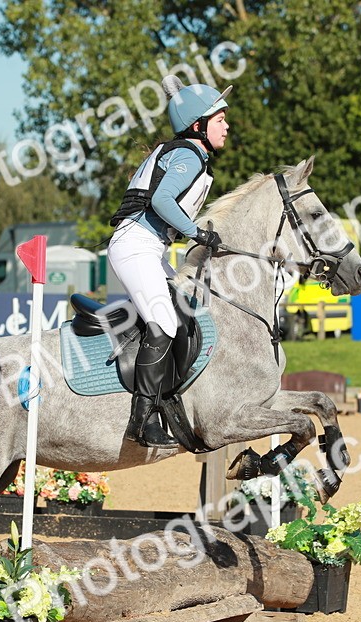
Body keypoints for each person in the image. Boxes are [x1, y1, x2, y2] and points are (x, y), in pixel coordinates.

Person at [107, 74, 231, 446]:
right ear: (198, 125)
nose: (227, 125)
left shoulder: (189, 153)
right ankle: (141, 420)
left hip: (149, 246)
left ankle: (167, 398)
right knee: (163, 320)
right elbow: (162, 201)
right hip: (136, 246)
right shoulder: (188, 155)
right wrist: (198, 234)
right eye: (220, 119)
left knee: (185, 313)